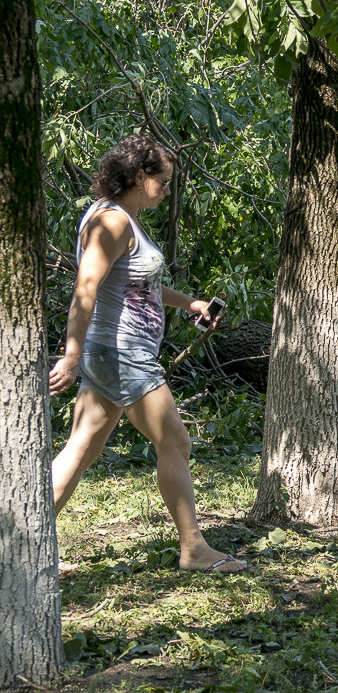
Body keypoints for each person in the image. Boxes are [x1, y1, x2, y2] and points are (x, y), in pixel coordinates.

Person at [48, 134, 249, 574]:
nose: (168, 189)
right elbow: (87, 288)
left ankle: (23, 540)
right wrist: (70, 354)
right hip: (121, 354)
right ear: (140, 177)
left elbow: (141, 287)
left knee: (81, 447)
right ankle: (193, 549)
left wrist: (190, 303)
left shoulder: (121, 218)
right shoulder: (112, 222)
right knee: (175, 440)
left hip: (113, 353)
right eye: (164, 181)